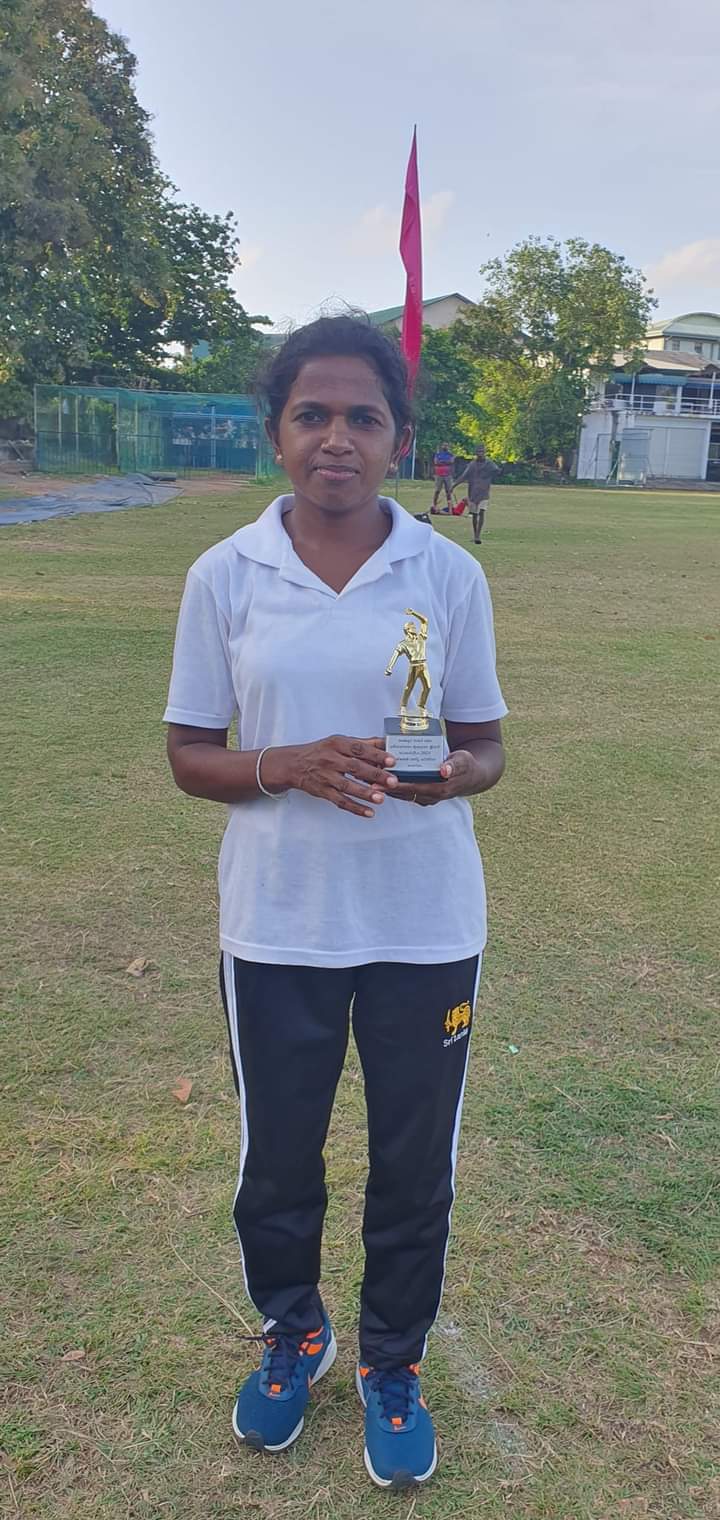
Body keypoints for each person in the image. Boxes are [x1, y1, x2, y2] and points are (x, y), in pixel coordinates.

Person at [164, 316, 507, 1492]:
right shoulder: (226, 574)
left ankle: (392, 1360)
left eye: (364, 416)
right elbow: (188, 752)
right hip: (279, 922)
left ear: (400, 437)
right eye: (313, 414)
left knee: (415, 1161)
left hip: (423, 922)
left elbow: (486, 743)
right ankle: (293, 1331)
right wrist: (287, 763)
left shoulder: (446, 572)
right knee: (280, 1155)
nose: (338, 439)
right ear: (277, 435)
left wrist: (454, 774)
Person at [453, 447, 501, 543]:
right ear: (475, 453)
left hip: (484, 493)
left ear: (485, 453)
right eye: (478, 452)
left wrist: (497, 472)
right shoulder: (472, 465)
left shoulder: (489, 464)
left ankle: (478, 536)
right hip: (473, 494)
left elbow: (497, 471)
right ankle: (475, 535)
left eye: (482, 452)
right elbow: (464, 476)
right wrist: (453, 486)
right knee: (474, 515)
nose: (480, 453)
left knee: (482, 512)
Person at [431, 442, 454, 512]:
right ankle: (434, 506)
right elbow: (436, 462)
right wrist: (445, 462)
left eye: (447, 445)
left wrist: (442, 462)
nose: (445, 447)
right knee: (437, 491)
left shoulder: (450, 455)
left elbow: (451, 461)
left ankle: (450, 508)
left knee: (449, 491)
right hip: (439, 475)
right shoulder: (438, 454)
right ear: (441, 446)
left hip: (448, 475)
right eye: (444, 445)